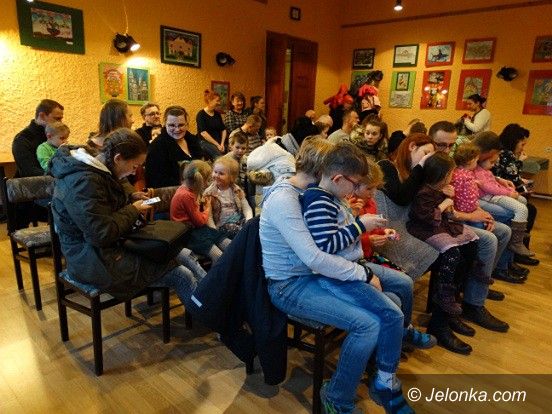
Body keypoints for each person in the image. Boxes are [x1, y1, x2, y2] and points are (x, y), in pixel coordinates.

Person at [260, 138, 415, 414]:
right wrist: (363, 273)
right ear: (330, 172)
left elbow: (327, 250)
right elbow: (316, 257)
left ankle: (380, 376)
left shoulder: (315, 193)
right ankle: (337, 397)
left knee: (391, 303)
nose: (356, 189)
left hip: (313, 276)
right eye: (354, 182)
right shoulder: (286, 199)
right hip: (290, 285)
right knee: (368, 324)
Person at [301, 142, 436, 350]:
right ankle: (394, 340)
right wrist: (360, 226)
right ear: (341, 180)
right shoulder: (322, 200)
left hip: (356, 260)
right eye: (362, 186)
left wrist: (371, 229)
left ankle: (402, 332)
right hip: (344, 267)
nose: (371, 193)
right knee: (391, 303)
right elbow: (329, 245)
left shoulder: (338, 199)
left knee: (404, 282)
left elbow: (346, 235)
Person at [49, 128, 200, 303]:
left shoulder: (101, 165)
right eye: (134, 167)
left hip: (111, 244)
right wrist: (133, 210)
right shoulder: (83, 182)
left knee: (182, 253)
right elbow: (101, 233)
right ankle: (209, 313)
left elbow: (113, 188)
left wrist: (131, 196)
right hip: (90, 257)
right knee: (181, 274)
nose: (135, 172)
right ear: (118, 158)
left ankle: (212, 302)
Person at [429, 121, 513, 326]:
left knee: (503, 231)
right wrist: (473, 216)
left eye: (451, 145)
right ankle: (473, 304)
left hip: (457, 215)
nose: (447, 150)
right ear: (430, 141)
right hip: (444, 222)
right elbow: (441, 212)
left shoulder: (450, 164)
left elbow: (466, 197)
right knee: (489, 240)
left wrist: (480, 212)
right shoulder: (432, 167)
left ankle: (475, 285)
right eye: (441, 145)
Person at [474, 142, 533, 257]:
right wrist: (509, 193)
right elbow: (490, 188)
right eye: (491, 162)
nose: (493, 165)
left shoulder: (485, 171)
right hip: (492, 197)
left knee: (523, 200)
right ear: (482, 159)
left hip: (495, 195)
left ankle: (518, 232)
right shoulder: (480, 172)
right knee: (522, 209)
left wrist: (508, 189)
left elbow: (495, 184)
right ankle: (516, 241)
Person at [493, 123, 539, 266]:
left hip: (502, 189)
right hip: (498, 192)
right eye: (522, 144)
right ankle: (518, 249)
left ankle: (519, 249)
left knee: (528, 208)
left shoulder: (504, 153)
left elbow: (511, 177)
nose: (523, 148)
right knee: (528, 209)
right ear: (514, 141)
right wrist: (519, 161)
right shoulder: (506, 154)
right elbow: (512, 177)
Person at [170, 160, 230, 262]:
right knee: (219, 256)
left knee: (230, 245)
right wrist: (208, 207)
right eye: (207, 181)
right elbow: (200, 222)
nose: (208, 184)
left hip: (198, 230)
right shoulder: (187, 195)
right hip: (189, 234)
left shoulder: (186, 189)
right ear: (200, 181)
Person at [145, 106, 203, 189]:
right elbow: (156, 182)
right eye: (172, 125)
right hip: (171, 192)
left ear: (187, 124)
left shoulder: (193, 140)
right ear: (165, 124)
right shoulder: (156, 147)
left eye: (181, 125)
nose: (177, 129)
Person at [12, 99, 64, 177]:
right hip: (37, 184)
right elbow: (30, 173)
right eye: (57, 119)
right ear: (42, 116)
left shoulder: (54, 135)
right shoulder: (21, 140)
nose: (60, 123)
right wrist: (63, 174)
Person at [204, 157, 253, 238]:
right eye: (215, 172)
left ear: (231, 177)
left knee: (254, 225)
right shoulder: (209, 193)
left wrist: (249, 220)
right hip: (223, 226)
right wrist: (214, 232)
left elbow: (246, 207)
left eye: (221, 173)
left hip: (239, 220)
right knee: (238, 231)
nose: (216, 175)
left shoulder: (236, 190)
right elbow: (209, 217)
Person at [196, 90, 227, 160]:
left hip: (219, 143)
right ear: (210, 100)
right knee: (220, 158)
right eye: (217, 101)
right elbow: (204, 133)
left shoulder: (217, 114)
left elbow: (223, 129)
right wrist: (217, 145)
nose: (219, 103)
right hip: (205, 142)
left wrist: (222, 144)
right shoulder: (201, 114)